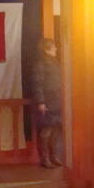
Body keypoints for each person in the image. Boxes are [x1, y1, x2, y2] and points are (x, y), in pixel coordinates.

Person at [32, 38, 63, 168]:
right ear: (46, 49)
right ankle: (45, 158)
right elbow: (37, 84)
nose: (56, 49)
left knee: (56, 129)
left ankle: (54, 156)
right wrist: (41, 101)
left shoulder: (56, 63)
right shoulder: (40, 64)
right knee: (47, 130)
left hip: (57, 100)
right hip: (47, 101)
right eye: (53, 46)